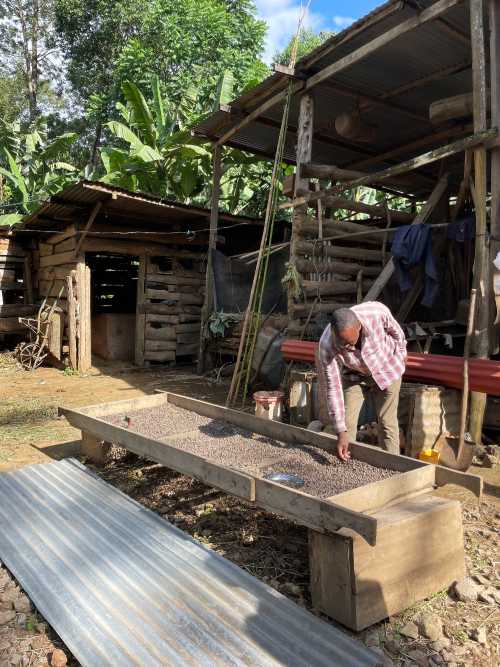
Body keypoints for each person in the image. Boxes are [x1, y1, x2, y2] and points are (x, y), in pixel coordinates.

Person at [317, 302, 407, 461]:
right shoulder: (326, 346)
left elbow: (397, 332)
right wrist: (340, 431)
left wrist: (401, 352)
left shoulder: (376, 313)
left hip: (387, 367)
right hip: (354, 375)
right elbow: (333, 387)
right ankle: (349, 465)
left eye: (349, 343)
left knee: (387, 423)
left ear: (359, 327)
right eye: (341, 344)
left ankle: (394, 467)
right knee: (347, 424)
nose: (346, 348)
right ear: (332, 331)